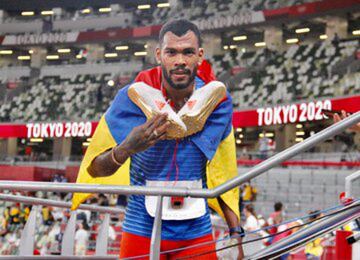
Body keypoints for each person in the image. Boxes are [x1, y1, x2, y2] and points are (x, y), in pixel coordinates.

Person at [73, 19, 243, 259]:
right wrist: (126, 148)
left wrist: (236, 233)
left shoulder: (219, 102)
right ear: (159, 55)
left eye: (188, 52)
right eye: (171, 52)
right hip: (140, 227)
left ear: (200, 55)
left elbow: (223, 172)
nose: (180, 61)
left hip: (196, 229)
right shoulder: (130, 98)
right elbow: (95, 169)